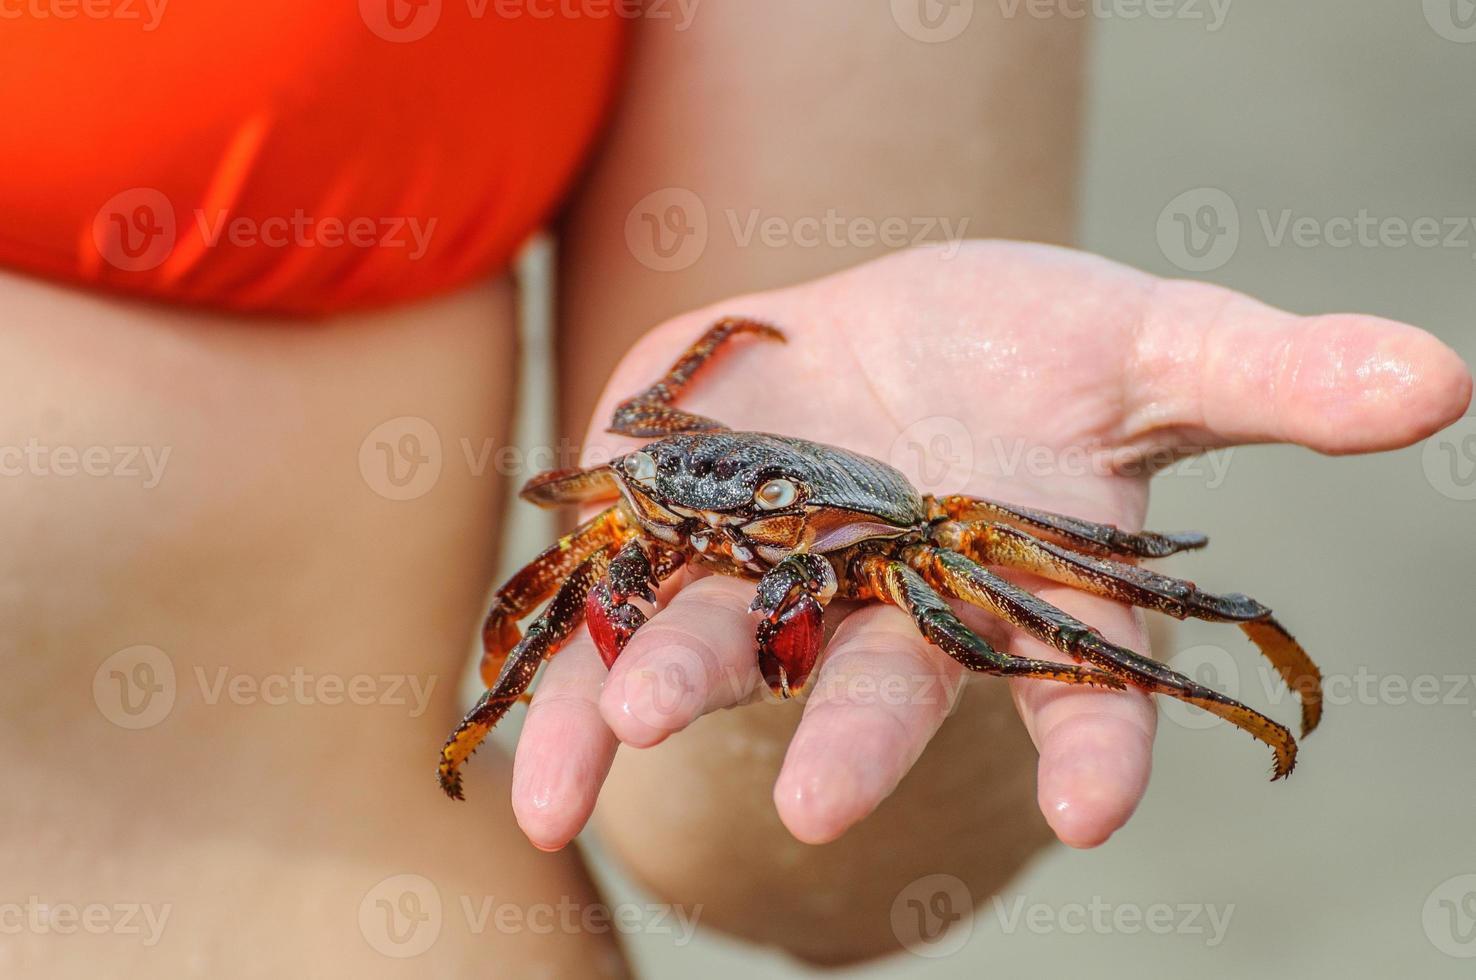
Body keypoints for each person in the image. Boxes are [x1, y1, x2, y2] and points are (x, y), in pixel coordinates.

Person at [0, 3, 1468, 975]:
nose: (698, 539)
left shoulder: (923, 537)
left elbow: (779, 872)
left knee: (1052, 616)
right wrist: (611, 523)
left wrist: (995, 673)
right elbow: (578, 513)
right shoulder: (652, 487)